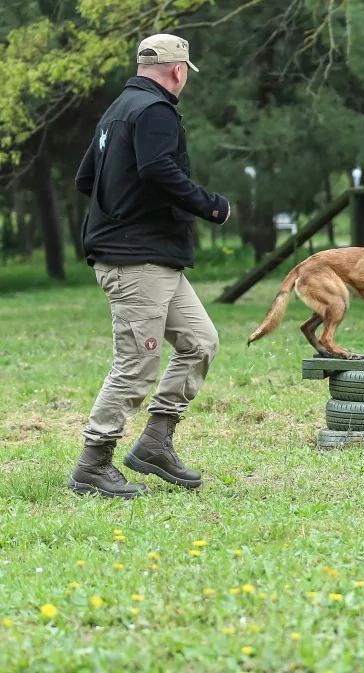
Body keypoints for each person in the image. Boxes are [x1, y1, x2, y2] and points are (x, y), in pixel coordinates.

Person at [70, 34, 231, 499]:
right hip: (136, 261)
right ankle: (92, 464)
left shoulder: (118, 109)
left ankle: (156, 443)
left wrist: (128, 209)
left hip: (153, 257)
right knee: (136, 365)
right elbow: (158, 170)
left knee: (200, 342)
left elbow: (87, 178)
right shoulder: (155, 112)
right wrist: (210, 206)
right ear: (179, 71)